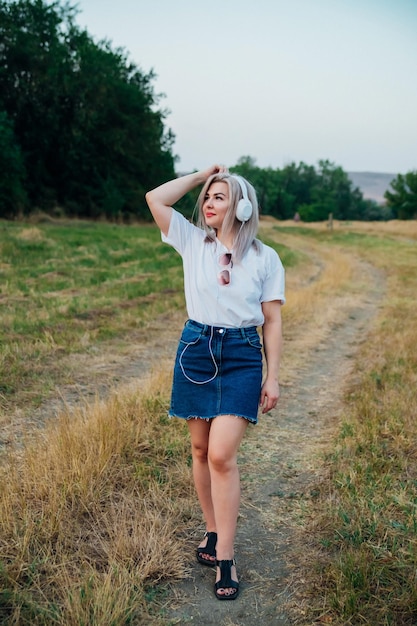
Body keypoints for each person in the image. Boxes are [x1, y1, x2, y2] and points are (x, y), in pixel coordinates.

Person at [145, 164, 285, 600]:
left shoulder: (264, 257)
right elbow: (155, 198)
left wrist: (272, 375)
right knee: (201, 450)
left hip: (242, 355)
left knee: (222, 455)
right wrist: (200, 175)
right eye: (207, 197)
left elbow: (273, 321)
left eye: (219, 197)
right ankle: (211, 530)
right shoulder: (192, 242)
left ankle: (226, 556)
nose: (208, 203)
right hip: (197, 348)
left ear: (242, 206)